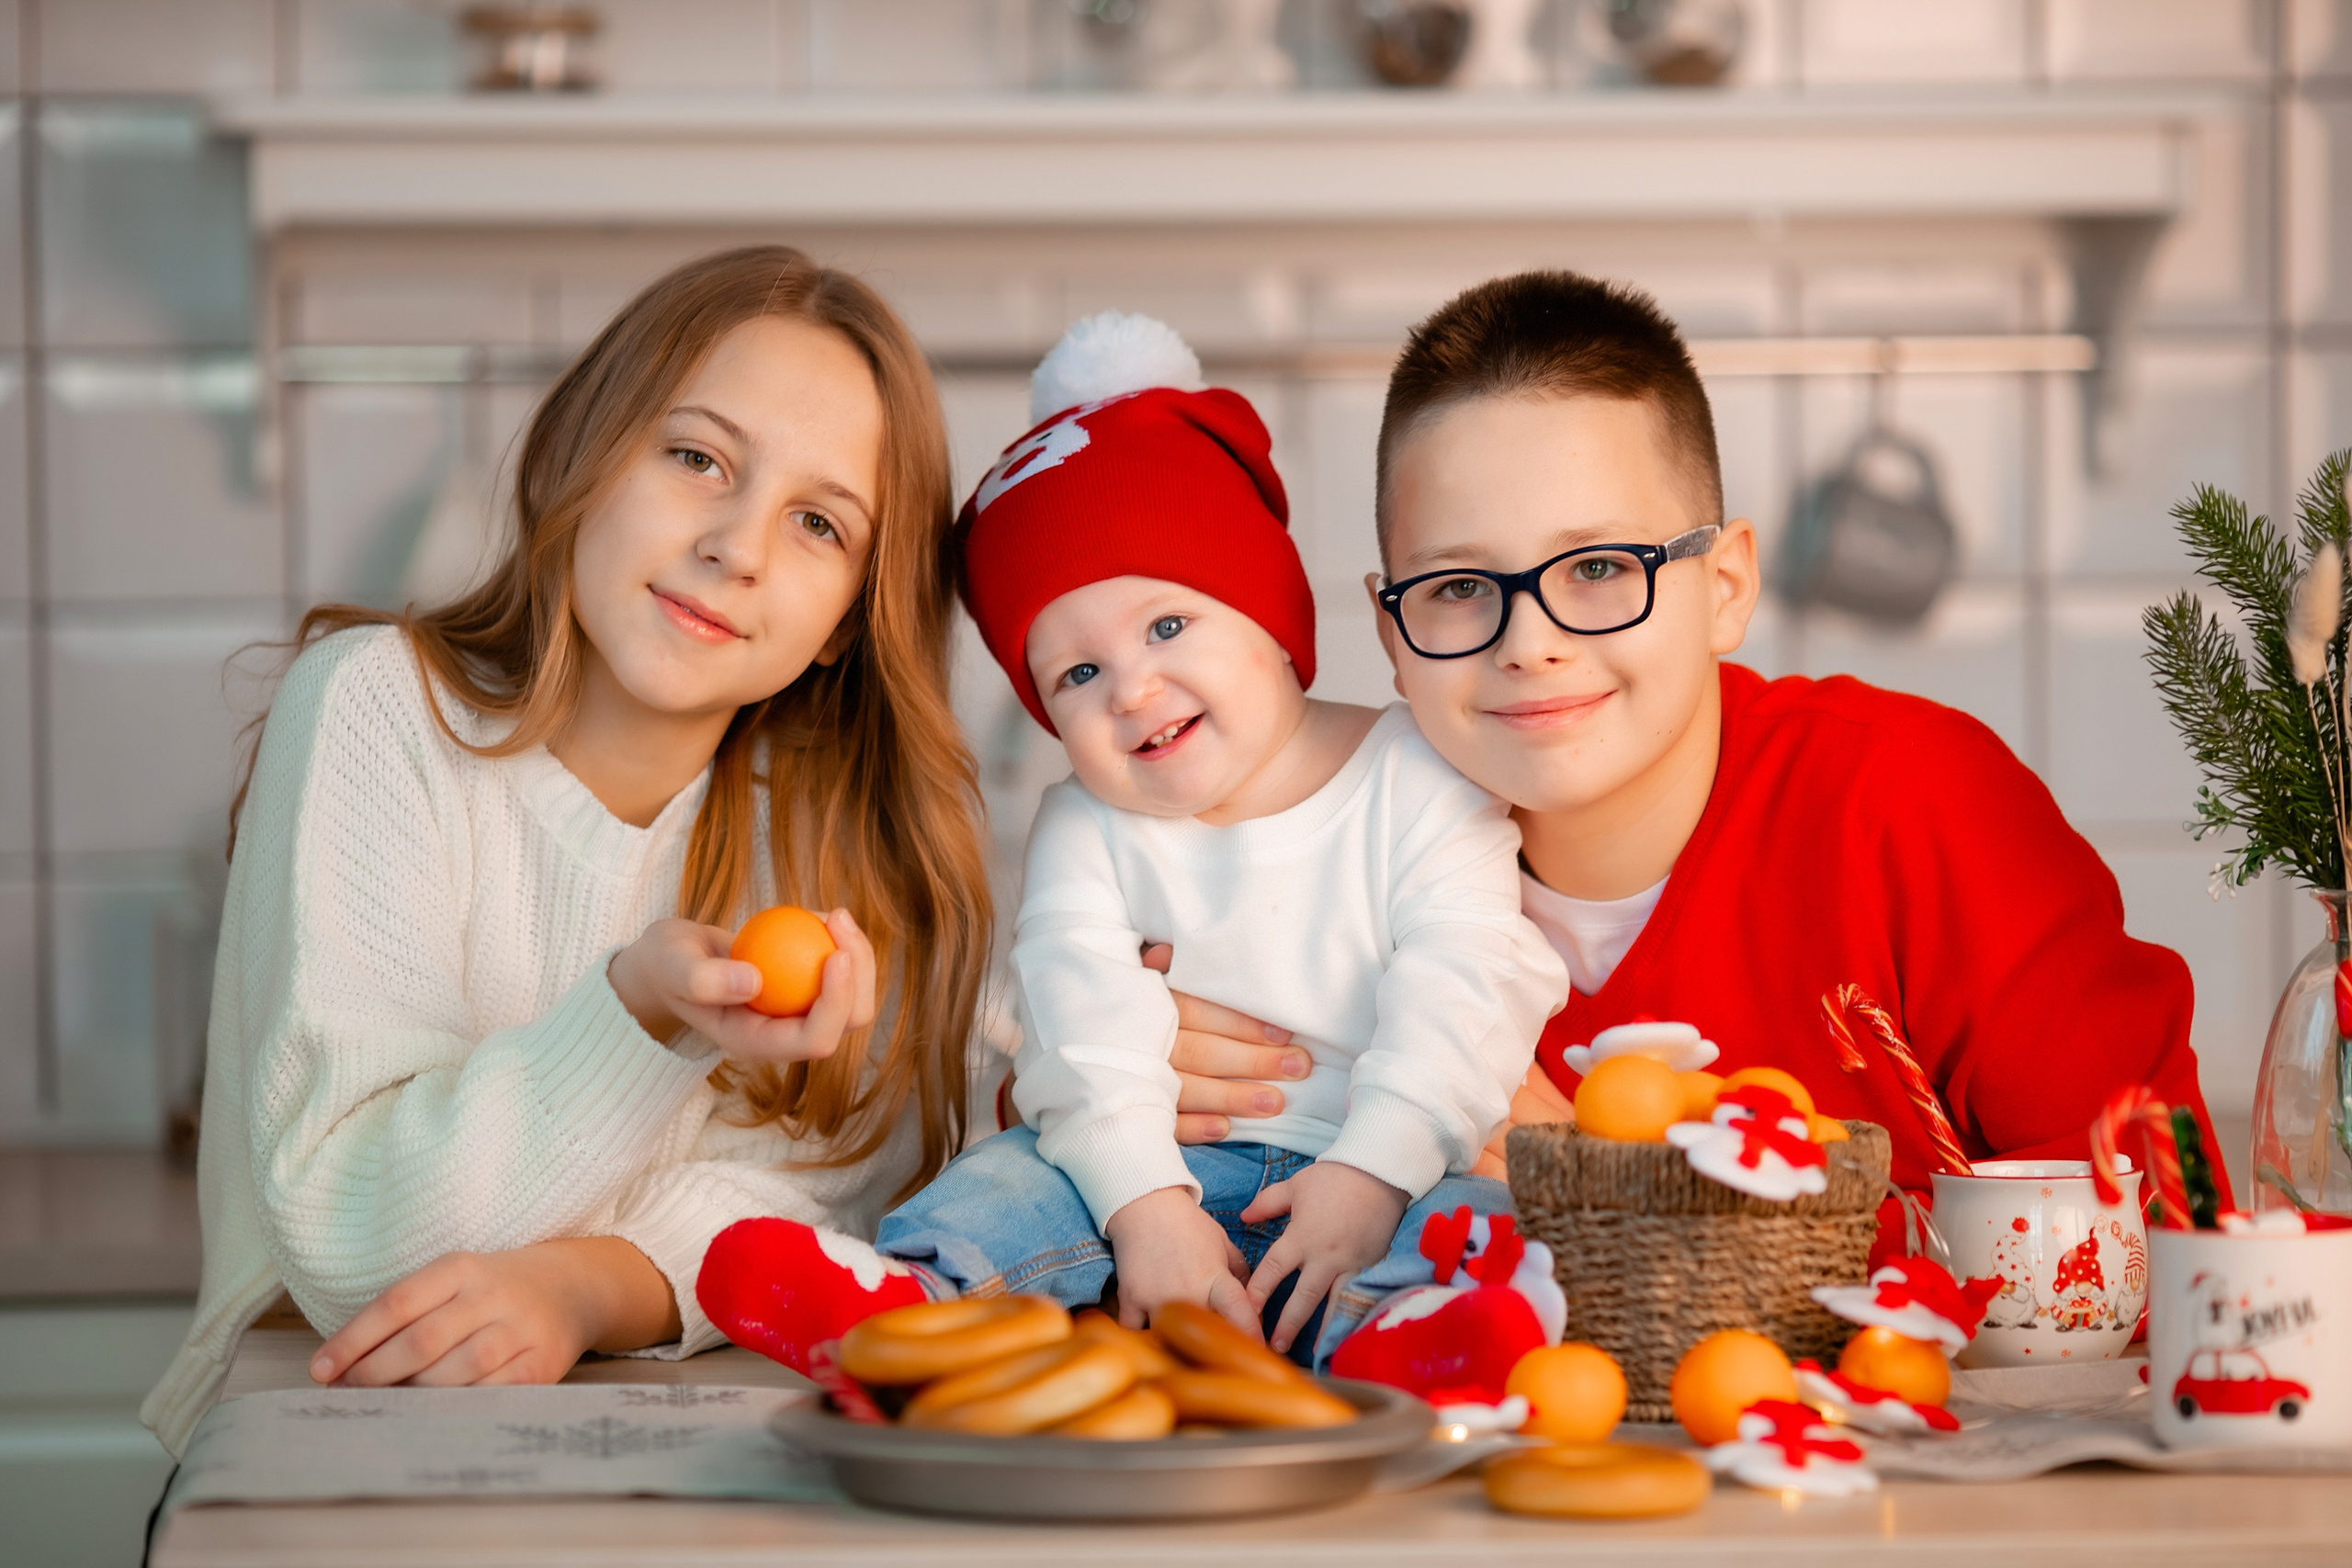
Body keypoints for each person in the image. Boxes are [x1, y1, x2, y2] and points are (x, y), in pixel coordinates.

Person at [140, 246, 996, 1457]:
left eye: (817, 522)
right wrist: (639, 1016)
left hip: (683, 1456)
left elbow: (827, 1199)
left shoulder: (824, 832)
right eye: (696, 455)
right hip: (322, 1442)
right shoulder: (378, 713)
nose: (736, 546)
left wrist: (586, 1285)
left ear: (843, 625)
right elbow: (356, 1238)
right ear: (576, 463)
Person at [1175, 269, 2224, 1253]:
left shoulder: (1915, 801)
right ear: (1391, 634)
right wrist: (1119, 1070)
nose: (1528, 641)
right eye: (1455, 587)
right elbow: (1072, 1161)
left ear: (1723, 586)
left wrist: (1628, 1203)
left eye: (1596, 568)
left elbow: (2165, 1234)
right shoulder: (1294, 851)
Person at [695, 315, 1565, 1371]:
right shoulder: (1087, 822)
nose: (1133, 690)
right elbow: (1079, 1019)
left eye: (1165, 627)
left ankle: (1410, 1342)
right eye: (1075, 674)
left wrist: (1374, 1172)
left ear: (1267, 612)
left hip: (1384, 1164)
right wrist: (1144, 1203)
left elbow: (1469, 981)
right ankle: (904, 1308)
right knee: (1012, 1180)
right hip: (1145, 1176)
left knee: (1478, 1219)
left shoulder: (1416, 772)